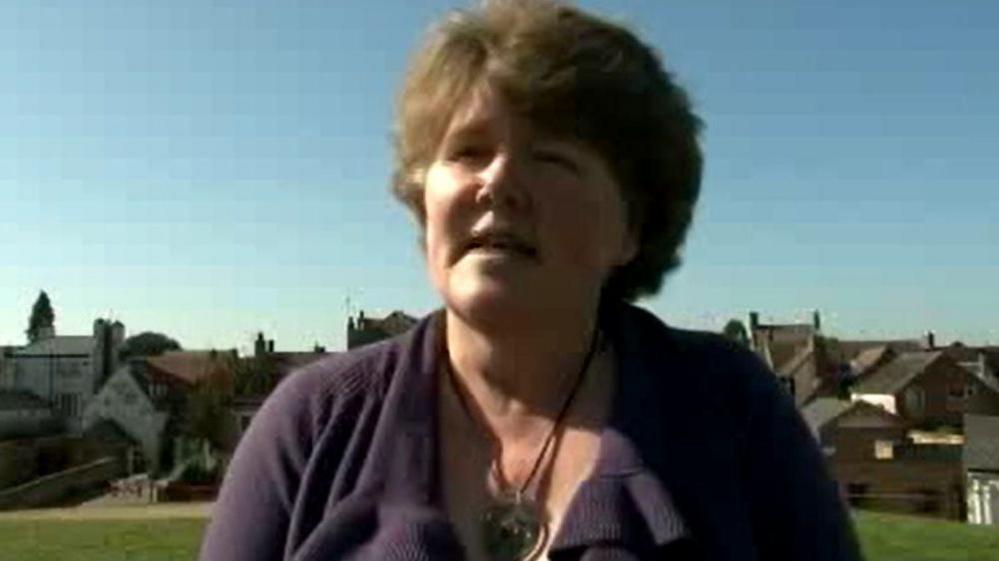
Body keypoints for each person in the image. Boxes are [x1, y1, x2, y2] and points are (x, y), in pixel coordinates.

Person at [199, 1, 862, 560]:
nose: (498, 182)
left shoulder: (732, 412)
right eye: (467, 151)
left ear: (631, 226)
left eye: (550, 157)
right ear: (422, 196)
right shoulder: (313, 422)